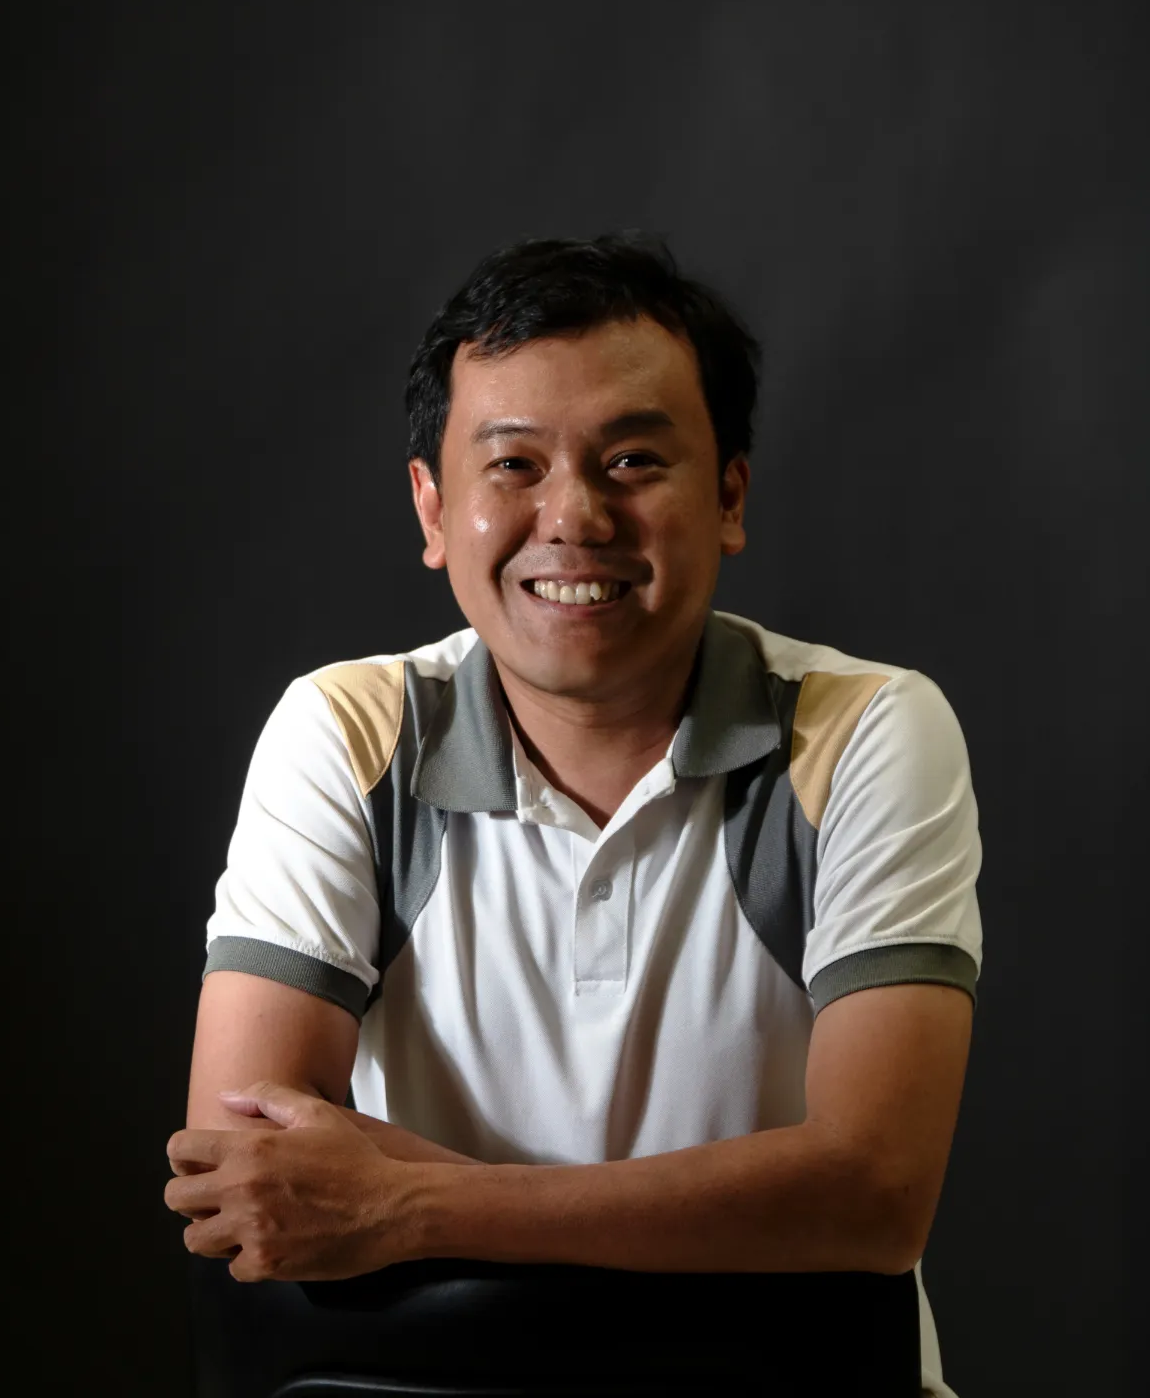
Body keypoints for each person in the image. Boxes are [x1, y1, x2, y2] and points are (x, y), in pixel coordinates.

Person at [165, 233, 982, 1397]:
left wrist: (413, 1202)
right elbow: (244, 1177)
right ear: (434, 508)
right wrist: (745, 1210)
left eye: (634, 460)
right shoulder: (346, 734)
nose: (575, 518)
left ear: (730, 496)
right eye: (513, 466)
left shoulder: (865, 733)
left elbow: (873, 1193)